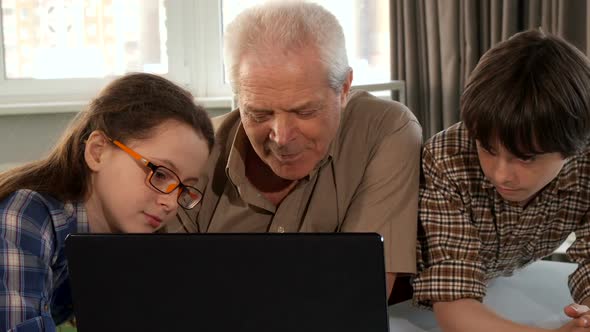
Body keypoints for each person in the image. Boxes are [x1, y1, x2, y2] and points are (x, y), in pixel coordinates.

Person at [168, 1, 422, 299]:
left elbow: (357, 296)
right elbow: (164, 289)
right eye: (259, 114)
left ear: (343, 89)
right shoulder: (195, 148)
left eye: (304, 112)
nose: (282, 137)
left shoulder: (385, 129)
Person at [0, 73, 214, 331]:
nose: (171, 203)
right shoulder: (25, 215)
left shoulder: (122, 241)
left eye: (184, 189)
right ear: (98, 151)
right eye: (159, 173)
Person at [414, 29, 590, 332]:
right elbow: (454, 305)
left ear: (573, 147)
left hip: (495, 281)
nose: (500, 174)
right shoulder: (446, 158)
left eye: (525, 157)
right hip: (398, 290)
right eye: (487, 149)